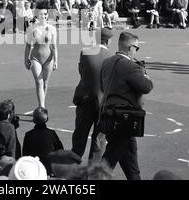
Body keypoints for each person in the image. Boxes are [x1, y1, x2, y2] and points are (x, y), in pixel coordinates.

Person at [100, 32, 153, 180]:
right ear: (130, 48)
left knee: (129, 159)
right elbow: (147, 86)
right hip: (125, 118)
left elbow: (103, 86)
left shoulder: (107, 62)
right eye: (137, 48)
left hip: (109, 114)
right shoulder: (130, 66)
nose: (136, 51)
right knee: (110, 158)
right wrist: (145, 75)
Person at [72, 28, 113, 161]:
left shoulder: (85, 52)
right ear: (108, 41)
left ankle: (73, 165)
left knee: (80, 134)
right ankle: (92, 173)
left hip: (85, 97)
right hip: (104, 103)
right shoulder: (112, 58)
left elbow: (81, 72)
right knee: (99, 138)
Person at [24, 2, 58, 108]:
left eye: (45, 14)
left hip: (48, 58)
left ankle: (41, 104)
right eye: (41, 14)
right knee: (39, 82)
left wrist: (56, 61)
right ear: (37, 15)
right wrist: (25, 60)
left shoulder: (52, 28)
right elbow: (28, 46)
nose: (43, 16)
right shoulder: (32, 28)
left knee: (45, 83)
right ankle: (42, 107)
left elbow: (54, 46)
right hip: (35, 58)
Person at [22, 107, 63, 175]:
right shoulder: (51, 133)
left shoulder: (29, 135)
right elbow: (60, 149)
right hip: (50, 168)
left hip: (35, 167)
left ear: (33, 120)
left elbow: (25, 153)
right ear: (47, 119)